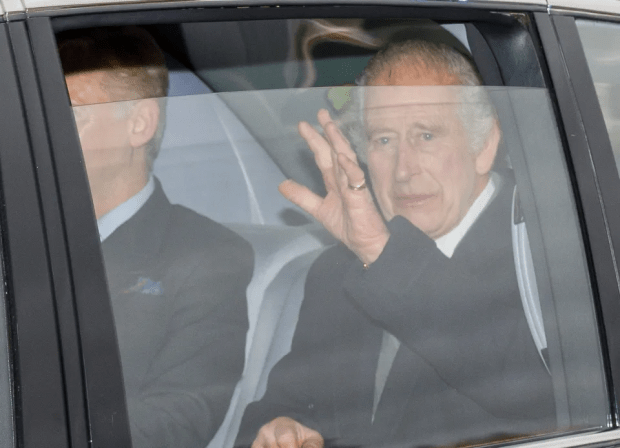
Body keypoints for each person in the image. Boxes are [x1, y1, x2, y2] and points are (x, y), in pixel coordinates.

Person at [236, 38, 555, 448]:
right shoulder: (338, 270)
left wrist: (382, 255)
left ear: (484, 145)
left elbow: (541, 400)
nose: (404, 170)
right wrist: (281, 427)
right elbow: (286, 405)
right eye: (384, 140)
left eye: (426, 135)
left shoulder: (547, 248)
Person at [59, 26, 253, 448]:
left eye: (71, 116)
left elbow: (179, 419)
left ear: (140, 124)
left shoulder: (205, 255)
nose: (47, 137)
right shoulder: (28, 243)